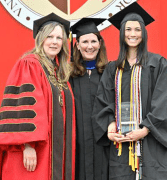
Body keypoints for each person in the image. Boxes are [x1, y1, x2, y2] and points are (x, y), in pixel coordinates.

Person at [92, 2, 167, 179]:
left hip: (153, 142)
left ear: (144, 33)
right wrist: (110, 127)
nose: (133, 34)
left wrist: (145, 129)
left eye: (137, 30)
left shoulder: (158, 63)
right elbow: (104, 101)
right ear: (122, 33)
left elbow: (164, 101)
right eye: (128, 29)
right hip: (122, 145)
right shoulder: (112, 69)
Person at [0, 13, 76, 180]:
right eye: (49, 36)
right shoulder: (29, 64)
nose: (54, 42)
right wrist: (27, 146)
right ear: (41, 39)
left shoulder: (58, 71)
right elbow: (23, 107)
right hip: (34, 151)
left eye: (59, 38)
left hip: (54, 152)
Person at [69, 18, 109, 180]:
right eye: (85, 41)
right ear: (77, 44)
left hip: (105, 143)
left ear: (100, 43)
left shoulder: (110, 73)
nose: (90, 46)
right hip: (77, 142)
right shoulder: (67, 75)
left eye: (94, 41)